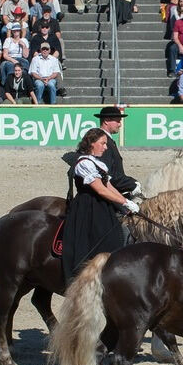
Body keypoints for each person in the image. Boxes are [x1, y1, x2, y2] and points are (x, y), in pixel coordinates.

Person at [62, 128, 141, 283]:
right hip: (88, 206)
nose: (105, 147)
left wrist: (125, 204)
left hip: (101, 204)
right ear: (91, 143)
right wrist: (124, 202)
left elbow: (109, 186)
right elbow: (100, 189)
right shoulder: (84, 163)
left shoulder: (97, 163)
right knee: (101, 239)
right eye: (102, 143)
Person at [91, 106, 141, 198]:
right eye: (117, 121)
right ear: (106, 121)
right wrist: (132, 185)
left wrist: (131, 181)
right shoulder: (103, 143)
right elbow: (107, 174)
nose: (120, 124)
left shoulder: (107, 140)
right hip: (106, 194)